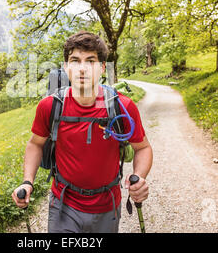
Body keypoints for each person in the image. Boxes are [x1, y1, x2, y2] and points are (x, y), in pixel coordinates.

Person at [12, 30, 153, 233]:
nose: (82, 69)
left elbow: (143, 148)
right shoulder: (50, 106)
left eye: (91, 61)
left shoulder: (122, 106)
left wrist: (139, 177)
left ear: (103, 67)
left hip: (108, 206)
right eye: (75, 60)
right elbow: (35, 143)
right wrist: (27, 182)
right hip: (63, 206)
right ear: (66, 67)